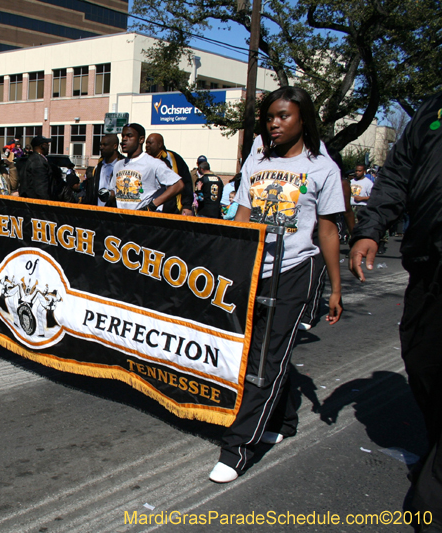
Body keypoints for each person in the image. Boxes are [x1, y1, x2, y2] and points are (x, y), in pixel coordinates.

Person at [209, 86, 344, 483]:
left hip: (297, 270)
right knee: (255, 349)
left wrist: (336, 288)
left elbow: (328, 230)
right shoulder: (258, 162)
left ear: (303, 119)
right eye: (269, 117)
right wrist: (230, 265)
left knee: (266, 359)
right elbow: (243, 216)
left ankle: (238, 448)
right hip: (255, 270)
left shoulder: (323, 168)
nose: (274, 123)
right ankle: (283, 420)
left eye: (283, 116)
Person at [349, 92, 442, 532]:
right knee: (422, 358)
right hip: (429, 263)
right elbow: (398, 175)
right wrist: (371, 229)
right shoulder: (432, 109)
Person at [109, 124, 183, 212]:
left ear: (141, 139)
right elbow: (115, 191)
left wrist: (152, 205)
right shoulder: (118, 165)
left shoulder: (153, 163)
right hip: (123, 219)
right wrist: (108, 194)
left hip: (145, 220)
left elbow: (178, 185)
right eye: (123, 136)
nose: (124, 139)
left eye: (129, 136)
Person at [145, 133, 194, 215]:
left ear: (160, 144)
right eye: (146, 143)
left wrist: (187, 205)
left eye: (150, 143)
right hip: (149, 209)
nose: (147, 146)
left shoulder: (173, 158)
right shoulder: (144, 159)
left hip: (172, 209)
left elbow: (186, 183)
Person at [83, 134, 121, 207]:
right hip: (97, 211)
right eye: (100, 145)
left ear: (115, 146)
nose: (101, 147)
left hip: (114, 211)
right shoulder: (98, 166)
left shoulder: (122, 165)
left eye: (105, 145)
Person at [18, 135, 54, 200]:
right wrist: (47, 204)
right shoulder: (38, 162)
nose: (48, 147)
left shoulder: (33, 159)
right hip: (36, 203)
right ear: (41, 146)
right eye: (47, 145)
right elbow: (41, 188)